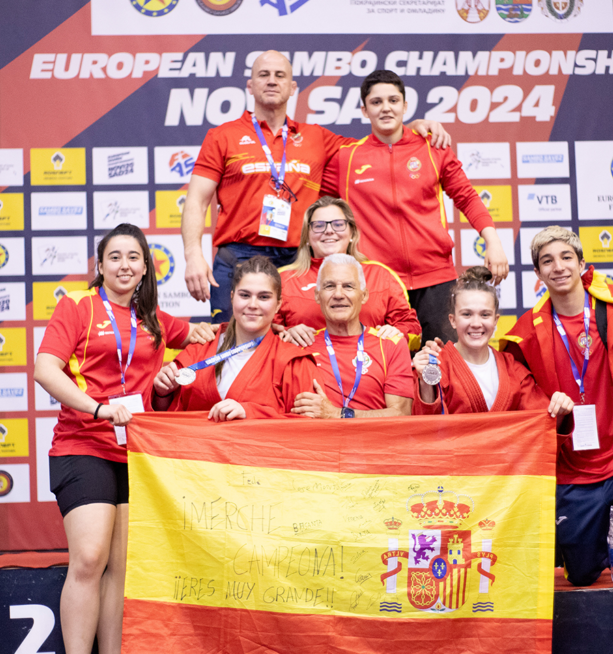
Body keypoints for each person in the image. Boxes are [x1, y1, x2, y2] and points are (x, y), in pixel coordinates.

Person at [500, 226, 613, 654]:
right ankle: (605, 539)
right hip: (572, 471)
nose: (558, 266)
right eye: (548, 261)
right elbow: (515, 401)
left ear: (582, 265)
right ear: (538, 275)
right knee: (581, 573)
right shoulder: (525, 334)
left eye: (566, 257)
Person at [182, 51, 450, 322]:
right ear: (250, 86)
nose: (272, 81)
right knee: (231, 344)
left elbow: (371, 147)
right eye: (264, 75)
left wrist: (410, 129)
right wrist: (193, 255)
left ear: (292, 87)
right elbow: (196, 200)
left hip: (298, 259)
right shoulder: (222, 136)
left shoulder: (316, 137)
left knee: (299, 344)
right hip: (240, 256)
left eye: (280, 75)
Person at [33, 223, 194, 654]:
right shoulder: (77, 307)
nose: (125, 265)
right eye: (115, 257)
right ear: (100, 266)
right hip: (82, 444)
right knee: (89, 558)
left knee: (121, 569)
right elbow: (44, 370)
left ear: (146, 268)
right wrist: (99, 408)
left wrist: (286, 328)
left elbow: (218, 335)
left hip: (137, 453)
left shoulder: (156, 320)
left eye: (134, 257)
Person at [321, 69, 509, 344]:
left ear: (405, 106)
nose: (386, 108)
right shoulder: (346, 158)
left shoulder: (434, 148)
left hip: (436, 278)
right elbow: (320, 212)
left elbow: (466, 196)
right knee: (386, 369)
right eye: (376, 102)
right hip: (378, 282)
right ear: (364, 110)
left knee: (443, 367)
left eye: (393, 100)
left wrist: (492, 240)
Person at [152, 256, 317, 419]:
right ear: (232, 297)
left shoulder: (293, 362)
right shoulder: (199, 349)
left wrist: (251, 414)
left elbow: (305, 432)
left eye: (264, 297)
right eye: (245, 295)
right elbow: (168, 421)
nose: (253, 305)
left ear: (278, 305)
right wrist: (162, 394)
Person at [411, 266, 573, 420]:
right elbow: (428, 431)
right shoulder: (436, 364)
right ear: (453, 320)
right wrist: (425, 383)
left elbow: (540, 423)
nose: (476, 323)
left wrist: (558, 411)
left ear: (495, 320)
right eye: (467, 314)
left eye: (485, 315)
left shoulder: (513, 369)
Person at [276, 196, 421, 350]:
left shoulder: (381, 276)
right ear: (307, 237)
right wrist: (286, 333)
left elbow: (414, 333)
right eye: (319, 226)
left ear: (352, 234)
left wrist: (399, 333)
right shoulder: (283, 280)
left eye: (338, 225)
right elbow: (261, 334)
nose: (329, 231)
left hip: (370, 370)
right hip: (305, 370)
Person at [292, 253, 412, 419]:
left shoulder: (391, 344)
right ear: (317, 296)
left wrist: (338, 414)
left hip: (377, 443)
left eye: (348, 286)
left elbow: (401, 415)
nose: (339, 294)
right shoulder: (300, 345)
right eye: (329, 286)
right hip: (319, 443)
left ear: (364, 296)